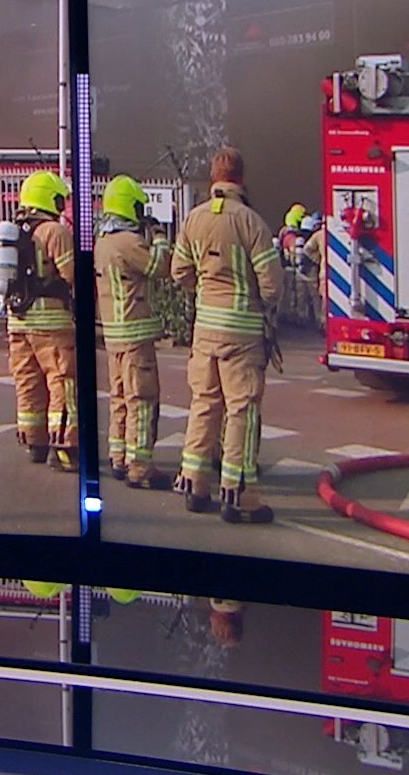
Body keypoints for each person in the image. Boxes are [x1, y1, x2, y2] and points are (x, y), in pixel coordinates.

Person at [171, 148, 283, 524]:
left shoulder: (193, 219)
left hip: (205, 329)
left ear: (213, 178)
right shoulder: (252, 222)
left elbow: (180, 272)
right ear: (241, 178)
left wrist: (206, 291)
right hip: (242, 333)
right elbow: (271, 286)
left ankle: (194, 485)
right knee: (241, 409)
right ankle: (239, 495)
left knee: (204, 403)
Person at [96, 175, 172, 489]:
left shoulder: (102, 241)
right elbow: (161, 267)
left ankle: (119, 456)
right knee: (141, 398)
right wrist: (160, 237)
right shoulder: (129, 242)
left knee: (119, 397)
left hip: (113, 334)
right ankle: (139, 467)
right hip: (135, 335)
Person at [6, 170, 78, 471]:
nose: (62, 205)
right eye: (60, 199)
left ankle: (34, 442)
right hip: (51, 324)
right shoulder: (54, 232)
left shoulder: (12, 231)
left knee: (28, 381)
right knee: (62, 382)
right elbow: (72, 275)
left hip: (17, 320)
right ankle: (64, 449)